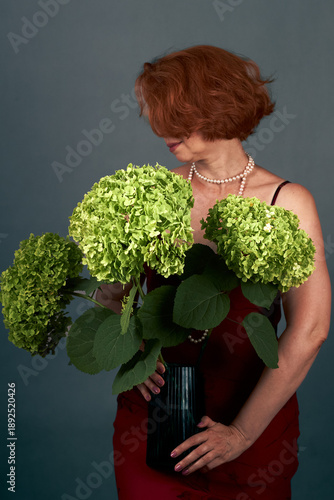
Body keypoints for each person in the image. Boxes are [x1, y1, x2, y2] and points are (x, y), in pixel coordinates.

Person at [97, 46, 331, 499]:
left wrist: (241, 434)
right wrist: (133, 350)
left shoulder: (288, 201)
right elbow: (112, 296)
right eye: (156, 114)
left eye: (175, 115)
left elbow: (312, 328)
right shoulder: (152, 191)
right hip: (153, 419)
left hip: (249, 421)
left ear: (219, 106)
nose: (161, 129)